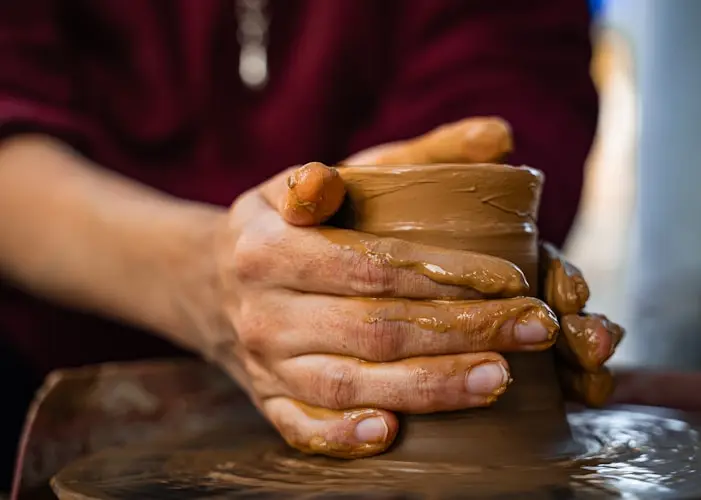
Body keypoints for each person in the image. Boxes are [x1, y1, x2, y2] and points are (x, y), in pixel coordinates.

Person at [0, 0, 603, 488]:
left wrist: (391, 248)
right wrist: (208, 276)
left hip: (409, 412)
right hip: (52, 368)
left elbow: (507, 99)